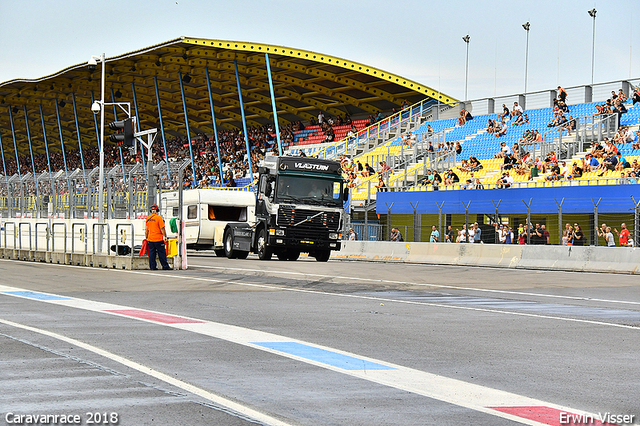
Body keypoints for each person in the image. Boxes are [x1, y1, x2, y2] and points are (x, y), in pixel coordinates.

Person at [145, 204, 171, 270]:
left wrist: (147, 237)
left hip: (151, 239)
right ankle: (165, 266)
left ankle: (152, 266)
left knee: (152, 254)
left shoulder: (148, 219)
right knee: (161, 253)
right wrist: (165, 236)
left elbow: (146, 230)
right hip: (158, 239)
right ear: (157, 210)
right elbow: (162, 228)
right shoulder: (159, 218)